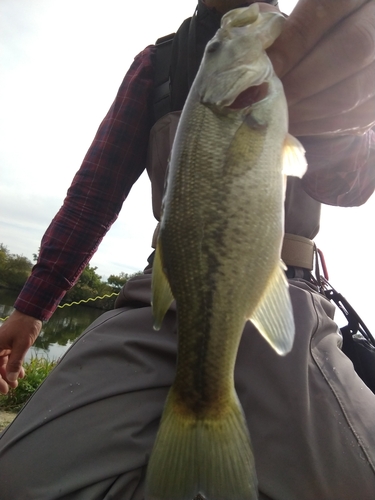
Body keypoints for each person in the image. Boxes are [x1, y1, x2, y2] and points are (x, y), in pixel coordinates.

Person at [1, 0, 375, 498]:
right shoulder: (158, 65)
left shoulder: (326, 42)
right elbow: (93, 196)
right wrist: (30, 310)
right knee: (20, 480)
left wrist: (340, 123)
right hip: (171, 287)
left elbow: (351, 187)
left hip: (287, 292)